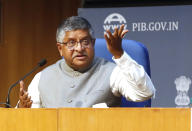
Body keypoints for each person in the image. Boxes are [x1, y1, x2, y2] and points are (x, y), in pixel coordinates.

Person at [18, 16, 155, 108]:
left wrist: (120, 55)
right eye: (71, 43)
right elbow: (28, 119)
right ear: (60, 48)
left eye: (85, 42)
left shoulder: (112, 72)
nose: (79, 48)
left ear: (93, 43)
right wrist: (22, 110)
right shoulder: (42, 77)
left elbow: (144, 94)